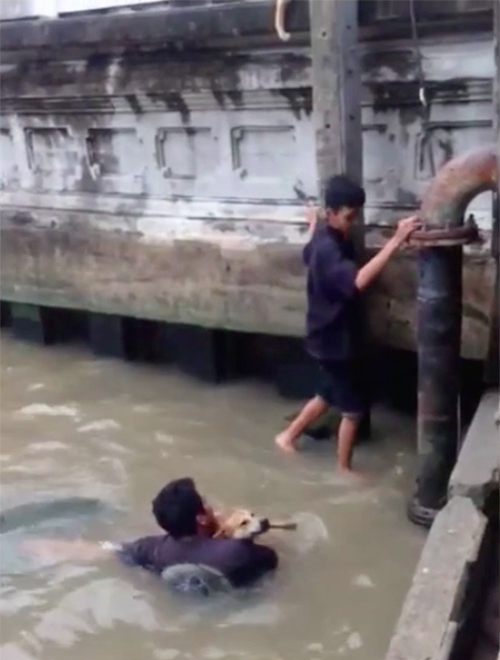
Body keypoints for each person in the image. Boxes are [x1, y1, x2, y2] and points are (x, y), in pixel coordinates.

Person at [275, 175, 420, 474]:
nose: (352, 223)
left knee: (328, 392)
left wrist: (311, 224)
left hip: (326, 336)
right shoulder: (328, 249)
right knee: (353, 412)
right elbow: (357, 282)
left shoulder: (323, 238)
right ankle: (344, 470)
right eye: (348, 217)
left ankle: (287, 436)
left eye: (355, 216)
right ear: (331, 213)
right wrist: (396, 240)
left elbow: (308, 251)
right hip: (333, 342)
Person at [24, 478, 278, 589]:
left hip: (178, 573)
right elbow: (273, 560)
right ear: (201, 517)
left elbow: (114, 551)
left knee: (113, 547)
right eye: (206, 504)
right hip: (238, 597)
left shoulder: (155, 548)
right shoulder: (236, 551)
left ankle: (40, 546)